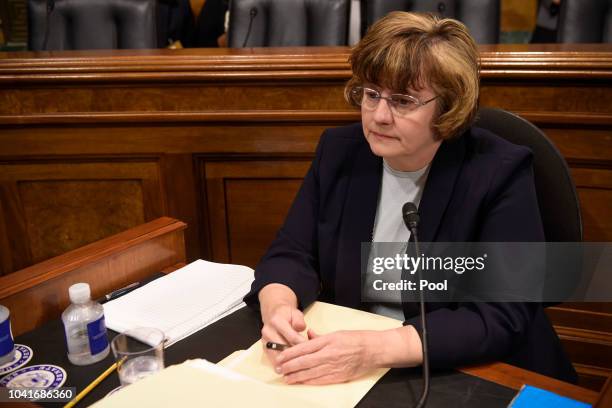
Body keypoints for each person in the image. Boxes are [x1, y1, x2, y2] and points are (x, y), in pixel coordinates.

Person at [244, 11, 577, 385]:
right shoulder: (339, 152)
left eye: (402, 101)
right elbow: (291, 252)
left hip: (473, 366)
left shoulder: (498, 172)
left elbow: (501, 314)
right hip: (355, 359)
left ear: (449, 106)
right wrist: (278, 306)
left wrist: (375, 349)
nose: (379, 116)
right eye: (371, 94)